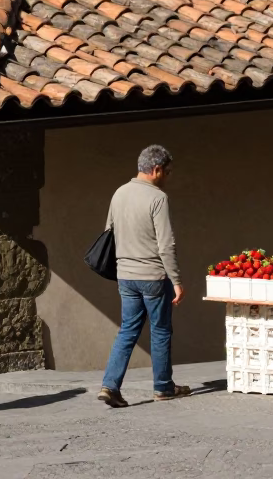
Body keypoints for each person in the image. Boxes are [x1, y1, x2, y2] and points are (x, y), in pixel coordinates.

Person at [97, 145, 190, 408]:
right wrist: (177, 281)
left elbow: (109, 232)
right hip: (153, 276)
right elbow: (166, 244)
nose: (167, 177)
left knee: (127, 330)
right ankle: (163, 387)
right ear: (157, 169)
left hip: (125, 275)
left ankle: (110, 385)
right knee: (160, 331)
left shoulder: (119, 193)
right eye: (167, 172)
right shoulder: (158, 198)